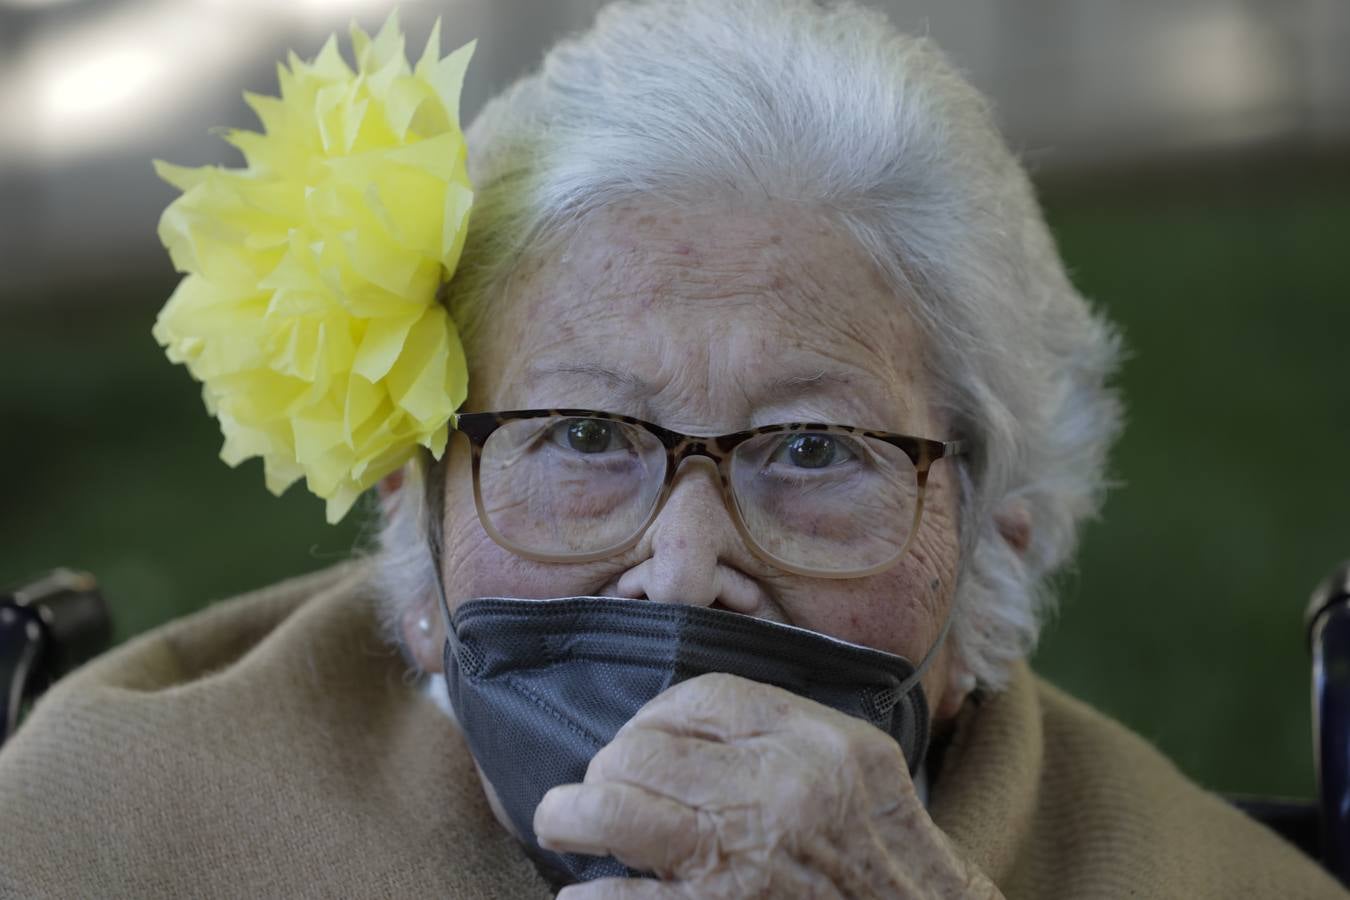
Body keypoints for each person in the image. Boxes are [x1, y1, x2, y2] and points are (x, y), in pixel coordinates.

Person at [1, 1, 1343, 897]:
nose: (683, 570)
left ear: (1000, 538)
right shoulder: (106, 835)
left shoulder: (1203, 881)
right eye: (581, 435)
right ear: (418, 518)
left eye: (813, 450)